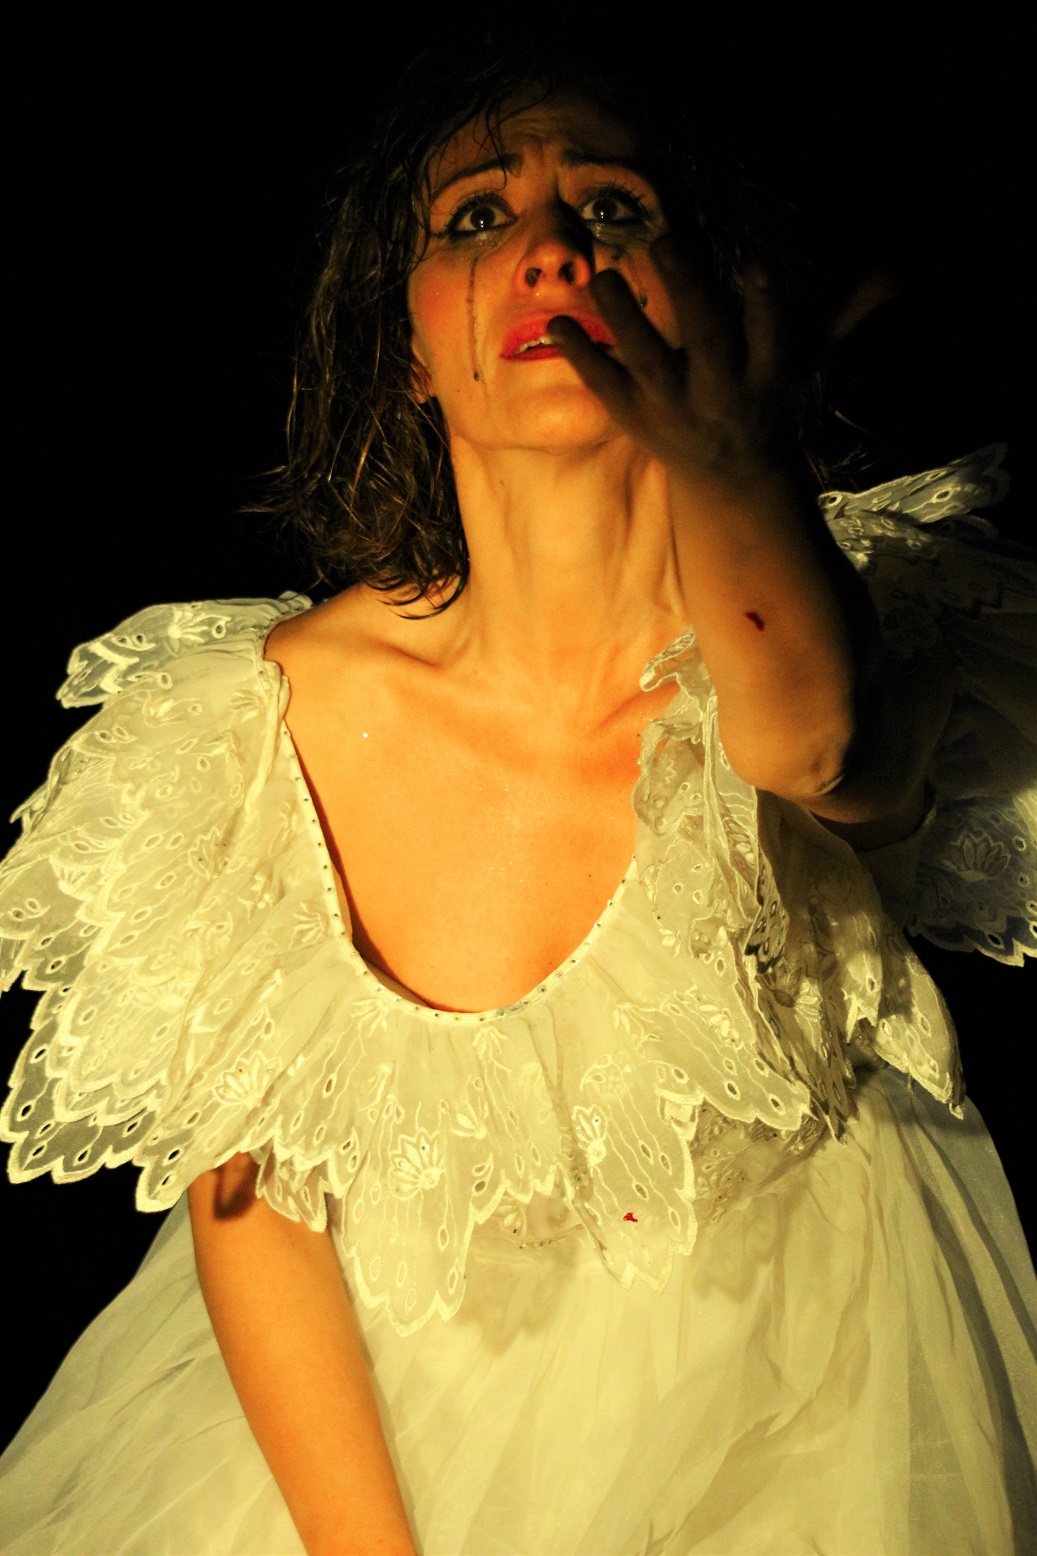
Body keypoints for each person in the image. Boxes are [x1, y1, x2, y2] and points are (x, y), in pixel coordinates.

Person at [1, 38, 1035, 1556]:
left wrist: (737, 460)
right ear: (410, 343)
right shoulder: (247, 729)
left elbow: (820, 755)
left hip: (801, 1431)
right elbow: (256, 1209)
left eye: (612, 208)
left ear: (702, 292)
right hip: (374, 1463)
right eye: (477, 216)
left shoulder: (853, 629)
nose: (553, 246)